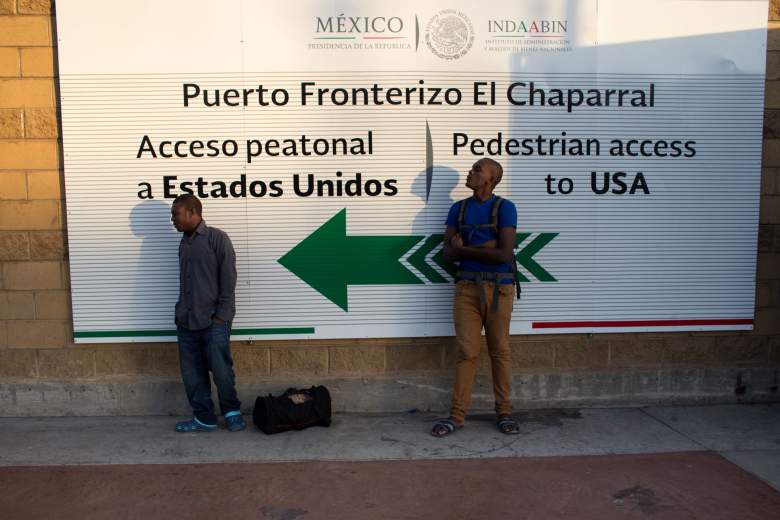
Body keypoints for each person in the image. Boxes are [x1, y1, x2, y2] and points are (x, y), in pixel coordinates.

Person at [431, 158, 521, 437]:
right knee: (466, 353)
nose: (470, 173)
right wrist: (485, 246)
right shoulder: (457, 210)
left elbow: (504, 254)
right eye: (472, 169)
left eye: (477, 170)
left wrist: (465, 249)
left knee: (499, 351)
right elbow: (447, 253)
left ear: (491, 179)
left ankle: (504, 412)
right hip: (466, 289)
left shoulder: (505, 208)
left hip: (499, 289)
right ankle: (456, 416)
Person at [170, 194, 245, 432]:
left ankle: (232, 413)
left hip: (214, 321)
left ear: (193, 213)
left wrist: (221, 316)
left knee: (221, 370)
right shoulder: (184, 242)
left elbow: (229, 278)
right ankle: (204, 417)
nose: (173, 220)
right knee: (192, 374)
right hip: (187, 321)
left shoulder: (217, 238)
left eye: (176, 214)